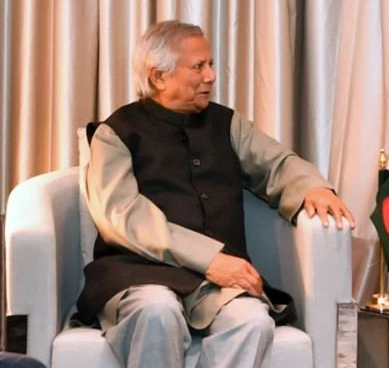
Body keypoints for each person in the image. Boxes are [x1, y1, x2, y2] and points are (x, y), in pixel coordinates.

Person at [76, 21, 356, 368]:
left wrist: (312, 186)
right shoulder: (116, 132)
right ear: (158, 76)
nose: (211, 76)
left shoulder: (227, 123)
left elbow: (276, 163)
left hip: (216, 285)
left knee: (253, 322)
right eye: (198, 67)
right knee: (157, 312)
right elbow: (122, 216)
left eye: (210, 64)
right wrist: (209, 259)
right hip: (138, 274)